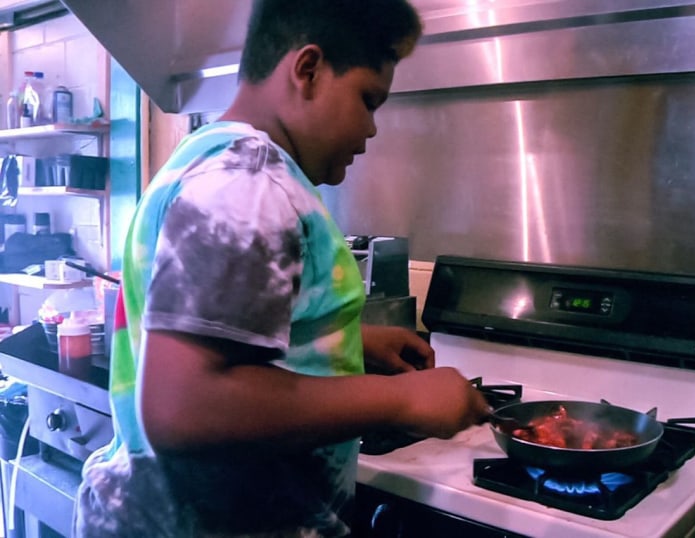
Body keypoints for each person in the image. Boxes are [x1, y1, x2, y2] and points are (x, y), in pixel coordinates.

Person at [73, 1, 490, 536]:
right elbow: (183, 407)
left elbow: (211, 334)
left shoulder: (206, 156)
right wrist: (401, 399)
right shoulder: (250, 182)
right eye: (368, 100)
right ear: (308, 70)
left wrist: (344, 343)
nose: (372, 128)